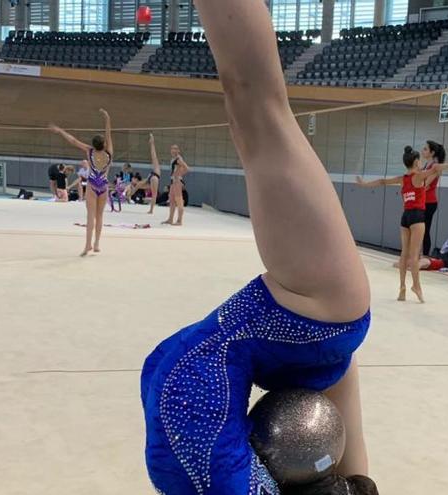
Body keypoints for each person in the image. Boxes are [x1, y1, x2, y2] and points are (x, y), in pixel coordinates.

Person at [141, 1, 377, 494]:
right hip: (314, 319)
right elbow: (355, 472)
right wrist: (358, 482)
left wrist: (359, 481)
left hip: (318, 317)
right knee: (254, 110)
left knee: (254, 108)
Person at [356, 146, 448, 303]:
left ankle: (402, 288)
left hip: (405, 217)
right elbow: (435, 168)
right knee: (414, 255)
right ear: (416, 162)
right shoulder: (418, 177)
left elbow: (382, 181)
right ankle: (416, 286)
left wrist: (364, 184)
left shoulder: (403, 179)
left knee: (404, 254)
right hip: (417, 217)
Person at [50, 109, 113, 256]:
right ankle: (96, 244)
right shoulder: (109, 152)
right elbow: (109, 135)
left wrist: (60, 131)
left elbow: (73, 141)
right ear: (103, 144)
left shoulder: (90, 151)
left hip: (92, 186)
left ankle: (87, 245)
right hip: (103, 186)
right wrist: (107, 119)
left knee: (90, 216)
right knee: (100, 216)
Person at [421, 140, 448, 257]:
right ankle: (417, 254)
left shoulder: (435, 167)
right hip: (422, 200)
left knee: (425, 229)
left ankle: (425, 255)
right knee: (419, 229)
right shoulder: (425, 165)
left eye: (425, 149)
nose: (423, 151)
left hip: (429, 202)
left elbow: (426, 184)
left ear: (432, 153)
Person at [163, 142, 189, 226]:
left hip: (177, 182)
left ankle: (179, 221)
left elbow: (187, 168)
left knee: (179, 201)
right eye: (172, 148)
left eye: (175, 148)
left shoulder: (178, 159)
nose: (173, 150)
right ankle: (170, 219)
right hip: (173, 182)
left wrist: (179, 175)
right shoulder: (173, 159)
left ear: (178, 150)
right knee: (171, 201)